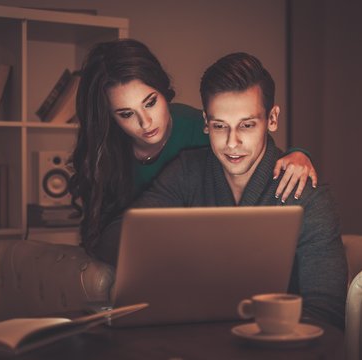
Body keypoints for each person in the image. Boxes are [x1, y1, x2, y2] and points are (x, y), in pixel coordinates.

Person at [96, 52, 347, 330]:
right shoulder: (187, 172)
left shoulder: (309, 197)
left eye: (247, 125)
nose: (232, 143)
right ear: (205, 123)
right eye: (219, 127)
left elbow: (326, 313)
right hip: (189, 340)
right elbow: (116, 237)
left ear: (272, 119)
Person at [70, 38, 318, 255]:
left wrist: (298, 154)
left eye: (150, 102)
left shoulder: (204, 130)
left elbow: (252, 145)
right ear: (111, 117)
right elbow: (103, 234)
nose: (145, 123)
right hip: (136, 251)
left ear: (163, 90)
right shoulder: (106, 150)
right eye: (126, 114)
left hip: (201, 253)